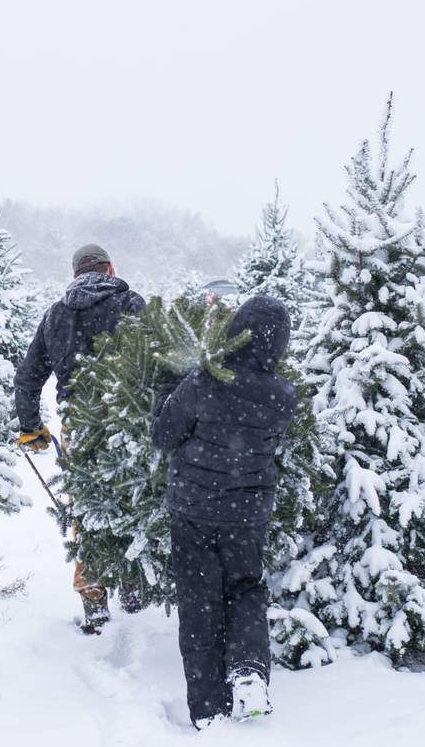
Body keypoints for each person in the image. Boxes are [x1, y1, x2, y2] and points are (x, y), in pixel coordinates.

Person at [151, 294, 297, 728]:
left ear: (235, 333)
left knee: (200, 602)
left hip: (194, 508)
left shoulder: (204, 381)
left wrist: (165, 388)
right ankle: (249, 672)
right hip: (248, 514)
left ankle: (208, 708)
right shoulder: (283, 396)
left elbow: (164, 435)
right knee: (246, 590)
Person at [13, 243, 146, 634]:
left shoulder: (56, 315)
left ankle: (94, 601)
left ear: (74, 276)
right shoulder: (131, 305)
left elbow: (28, 377)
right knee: (134, 500)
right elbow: (161, 359)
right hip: (128, 422)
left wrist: (30, 427)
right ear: (110, 268)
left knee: (88, 511)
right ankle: (135, 586)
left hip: (80, 426)